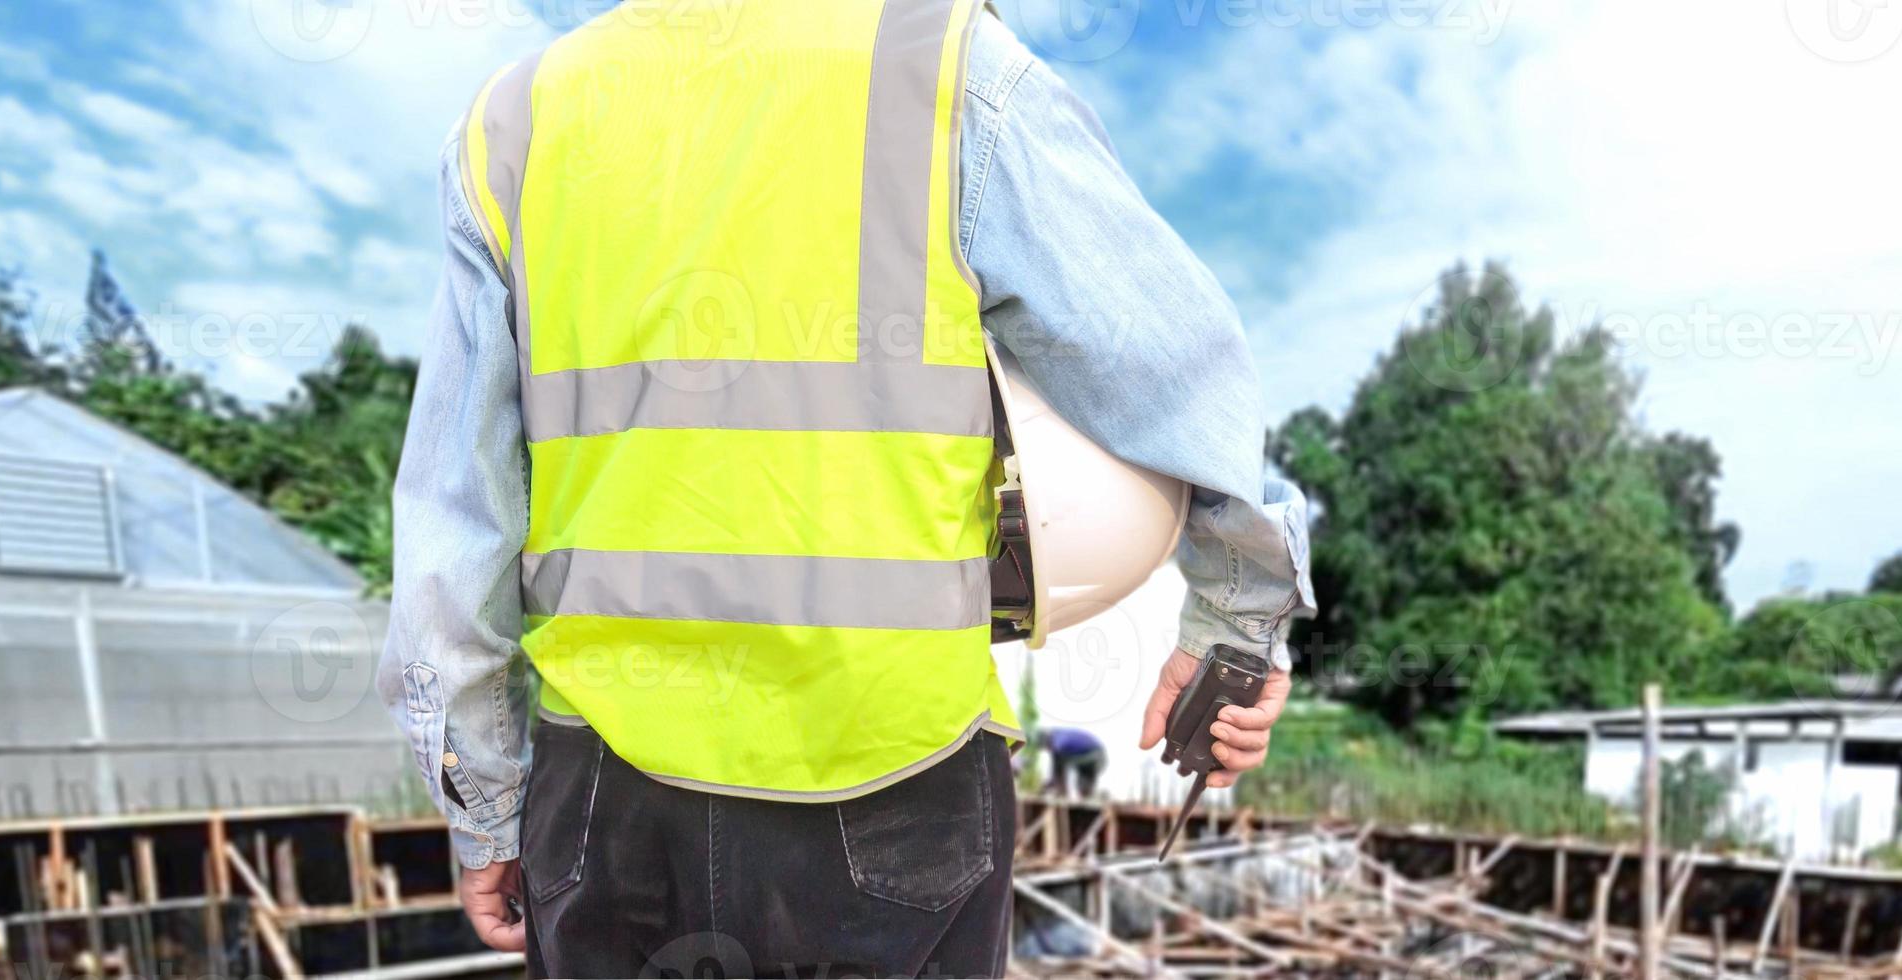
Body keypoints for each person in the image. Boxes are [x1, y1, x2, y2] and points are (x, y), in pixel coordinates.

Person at [378, 1, 1313, 976]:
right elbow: (1168, 367)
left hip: (604, 799)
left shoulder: (515, 120)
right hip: (895, 783)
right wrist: (1238, 626)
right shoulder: (950, 69)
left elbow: (457, 514)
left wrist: (484, 805)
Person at [1037, 726, 1106, 799]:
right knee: (1082, 788)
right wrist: (1050, 783)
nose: (1047, 750)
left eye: (1046, 747)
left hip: (1094, 756)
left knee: (1059, 758)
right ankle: (1084, 794)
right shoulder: (1058, 735)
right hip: (1091, 755)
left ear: (1047, 740)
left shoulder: (1058, 741)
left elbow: (1058, 768)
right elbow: (1056, 771)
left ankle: (1064, 794)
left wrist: (1055, 785)